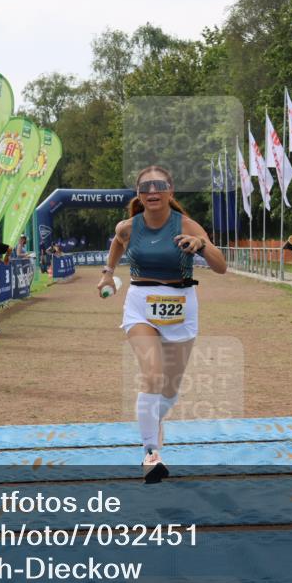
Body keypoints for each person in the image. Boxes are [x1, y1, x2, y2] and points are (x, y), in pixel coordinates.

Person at [97, 165, 226, 483]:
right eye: (145, 187)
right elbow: (116, 243)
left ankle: (151, 421)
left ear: (171, 191)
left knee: (169, 389)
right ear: (138, 194)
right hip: (140, 304)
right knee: (152, 375)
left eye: (159, 186)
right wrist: (107, 273)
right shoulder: (128, 227)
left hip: (182, 307)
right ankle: (151, 454)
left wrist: (201, 246)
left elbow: (221, 266)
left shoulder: (187, 224)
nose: (152, 192)